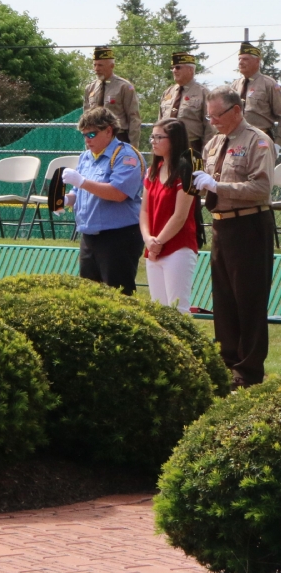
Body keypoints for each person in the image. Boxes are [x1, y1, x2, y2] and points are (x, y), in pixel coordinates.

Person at [192, 86, 275, 387]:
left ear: (236, 111)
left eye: (217, 115)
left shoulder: (257, 141)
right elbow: (208, 182)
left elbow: (261, 189)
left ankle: (248, 371)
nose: (212, 121)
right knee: (224, 300)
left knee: (249, 301)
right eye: (208, 116)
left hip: (249, 226)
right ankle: (227, 364)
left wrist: (218, 187)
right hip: (221, 226)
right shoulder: (214, 143)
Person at [62, 106, 145, 295]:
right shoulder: (86, 157)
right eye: (84, 135)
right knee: (89, 296)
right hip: (89, 235)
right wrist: (66, 199)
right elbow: (78, 191)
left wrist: (82, 182)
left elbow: (118, 193)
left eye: (91, 134)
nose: (87, 140)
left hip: (118, 236)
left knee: (118, 295)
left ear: (108, 130)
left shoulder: (126, 156)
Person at [141, 118, 199, 312]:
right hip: (154, 249)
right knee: (159, 310)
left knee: (177, 309)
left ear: (174, 140)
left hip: (178, 247)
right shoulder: (152, 171)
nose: (153, 142)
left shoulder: (186, 170)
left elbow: (180, 216)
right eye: (152, 137)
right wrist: (149, 240)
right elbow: (144, 211)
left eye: (159, 137)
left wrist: (158, 243)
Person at [83, 47, 142, 144]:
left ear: (112, 66)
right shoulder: (90, 88)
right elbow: (86, 119)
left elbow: (134, 118)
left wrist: (133, 147)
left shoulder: (124, 87)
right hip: (95, 138)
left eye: (100, 65)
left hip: (117, 138)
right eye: (95, 65)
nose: (96, 69)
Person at [230, 41, 281, 150]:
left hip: (261, 139)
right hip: (237, 139)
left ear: (257, 61)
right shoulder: (235, 85)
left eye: (245, 59)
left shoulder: (269, 84)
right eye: (239, 59)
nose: (241, 62)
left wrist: (278, 142)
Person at [158, 51, 210, 153]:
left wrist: (206, 152)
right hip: (167, 145)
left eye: (178, 67)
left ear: (190, 70)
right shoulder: (168, 93)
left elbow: (210, 127)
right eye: (172, 68)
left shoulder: (203, 93)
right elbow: (159, 121)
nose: (174, 71)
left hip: (191, 147)